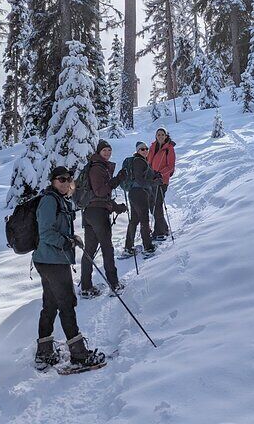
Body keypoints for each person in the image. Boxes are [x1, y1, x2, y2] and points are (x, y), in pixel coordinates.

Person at [33, 166, 106, 371]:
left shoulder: (61, 199)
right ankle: (79, 354)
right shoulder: (49, 200)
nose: (65, 182)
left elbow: (57, 229)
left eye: (67, 179)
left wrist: (71, 239)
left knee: (51, 304)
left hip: (51, 260)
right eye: (60, 179)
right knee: (66, 304)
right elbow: (46, 233)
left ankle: (44, 351)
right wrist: (67, 242)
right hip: (52, 261)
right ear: (53, 181)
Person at [80, 140, 128, 298]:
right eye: (105, 150)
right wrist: (117, 180)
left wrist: (116, 207)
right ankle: (114, 284)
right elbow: (101, 192)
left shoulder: (97, 166)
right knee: (107, 249)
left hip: (90, 213)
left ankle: (86, 287)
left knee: (90, 250)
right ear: (99, 152)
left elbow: (99, 196)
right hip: (97, 214)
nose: (107, 153)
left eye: (109, 150)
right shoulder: (97, 168)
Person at [124, 141, 164, 256]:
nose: (145, 151)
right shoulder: (138, 162)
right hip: (139, 193)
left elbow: (146, 176)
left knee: (135, 220)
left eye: (146, 149)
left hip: (135, 193)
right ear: (137, 151)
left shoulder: (142, 161)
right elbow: (140, 180)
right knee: (144, 220)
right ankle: (148, 247)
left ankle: (128, 247)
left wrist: (155, 175)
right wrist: (155, 182)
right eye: (142, 149)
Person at [147, 127, 176, 240]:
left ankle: (159, 232)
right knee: (152, 205)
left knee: (157, 204)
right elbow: (148, 162)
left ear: (166, 136)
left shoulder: (169, 148)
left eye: (162, 134)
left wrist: (161, 174)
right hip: (152, 180)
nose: (160, 136)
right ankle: (163, 228)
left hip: (162, 180)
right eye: (158, 134)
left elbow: (171, 166)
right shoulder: (153, 147)